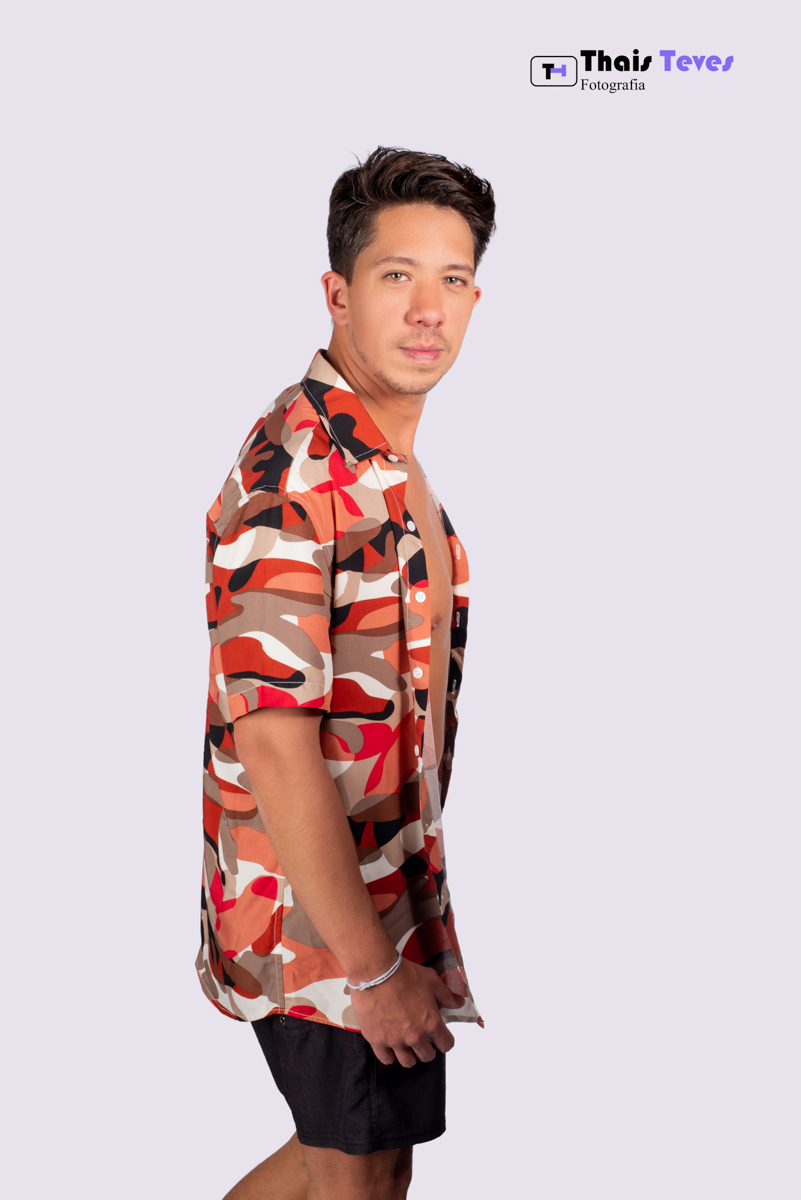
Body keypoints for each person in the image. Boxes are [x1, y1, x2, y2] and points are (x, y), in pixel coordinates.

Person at [196, 145, 496, 1200]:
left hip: (382, 892)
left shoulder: (383, 459)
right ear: (338, 293)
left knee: (359, 1170)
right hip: (318, 923)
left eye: (452, 278)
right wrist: (370, 970)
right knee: (359, 1180)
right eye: (396, 275)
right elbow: (273, 740)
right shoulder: (296, 471)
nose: (428, 309)